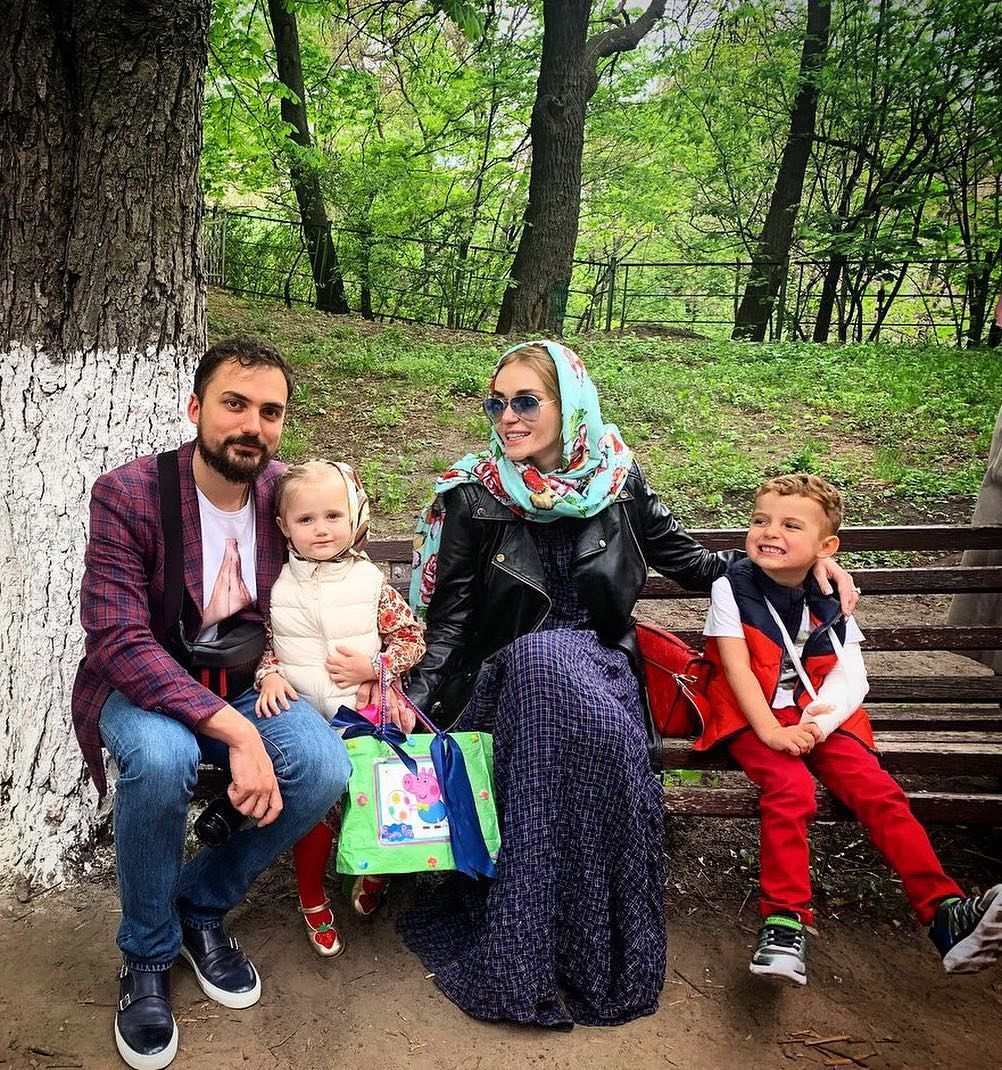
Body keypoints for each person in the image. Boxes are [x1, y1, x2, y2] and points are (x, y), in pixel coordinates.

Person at [397, 340, 859, 1029]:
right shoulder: (472, 494)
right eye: (497, 403)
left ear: (570, 404)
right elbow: (453, 619)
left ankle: (581, 948)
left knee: (575, 701)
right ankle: (525, 949)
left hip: (602, 666)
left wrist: (798, 566)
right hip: (508, 675)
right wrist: (414, 697)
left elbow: (695, 563)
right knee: (541, 664)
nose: (508, 417)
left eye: (526, 401)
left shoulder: (617, 478)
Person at [71, 337, 352, 1070]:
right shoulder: (129, 494)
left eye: (270, 411)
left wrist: (377, 656)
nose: (252, 426)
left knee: (323, 766)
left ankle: (199, 906)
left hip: (247, 679)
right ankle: (147, 953)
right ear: (196, 408)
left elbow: (337, 557)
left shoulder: (281, 494)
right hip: (145, 682)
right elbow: (117, 638)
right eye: (234, 404)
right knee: (162, 758)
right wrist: (239, 735)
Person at [695, 472, 1002, 986]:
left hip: (822, 714)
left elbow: (850, 673)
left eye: (791, 525)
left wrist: (820, 724)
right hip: (754, 715)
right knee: (791, 789)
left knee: (879, 792)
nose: (770, 532)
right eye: (761, 520)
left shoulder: (831, 591)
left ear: (826, 548)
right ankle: (784, 922)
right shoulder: (732, 586)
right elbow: (737, 668)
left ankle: (944, 912)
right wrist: (771, 732)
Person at [253, 459, 425, 955]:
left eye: (333, 516)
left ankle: (377, 870)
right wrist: (269, 674)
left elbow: (411, 637)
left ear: (354, 518)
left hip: (363, 710)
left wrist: (378, 668)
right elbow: (266, 643)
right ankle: (311, 894)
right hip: (305, 715)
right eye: (306, 520)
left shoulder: (370, 583)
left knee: (380, 789)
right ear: (284, 526)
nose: (322, 529)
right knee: (316, 804)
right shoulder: (275, 587)